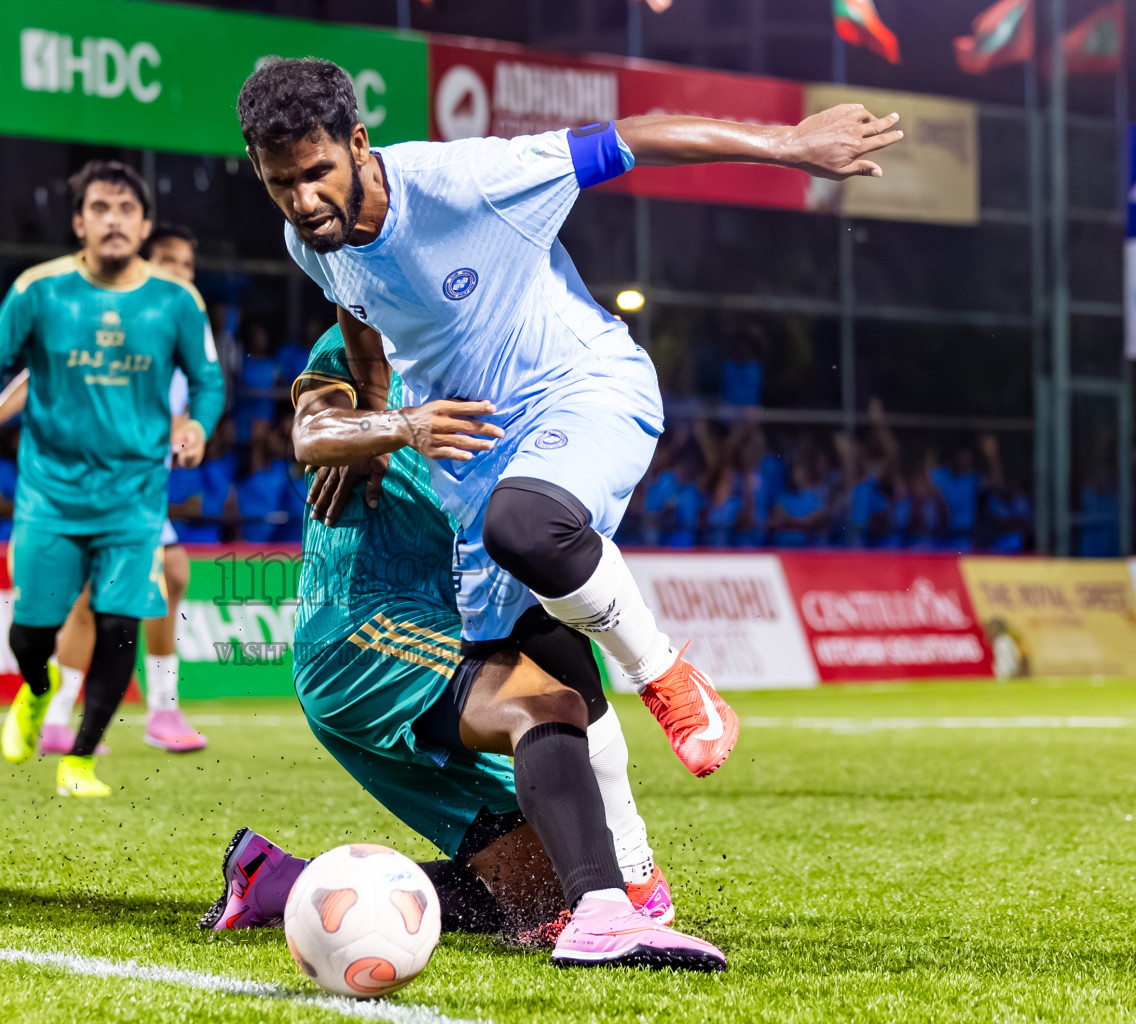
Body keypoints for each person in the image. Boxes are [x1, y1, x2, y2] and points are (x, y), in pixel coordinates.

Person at [237, 58, 901, 776]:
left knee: (526, 528)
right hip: (477, 459)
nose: (303, 199)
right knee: (551, 674)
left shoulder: (471, 183)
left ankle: (667, 677)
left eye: (318, 172)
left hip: (582, 389)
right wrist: (372, 424)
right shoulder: (309, 239)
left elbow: (632, 137)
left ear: (359, 144)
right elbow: (358, 310)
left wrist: (788, 147)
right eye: (282, 183)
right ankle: (630, 883)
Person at [200, 325, 722, 971]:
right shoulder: (360, 350)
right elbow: (311, 434)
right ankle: (604, 922)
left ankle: (279, 883)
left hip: (449, 634)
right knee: (544, 706)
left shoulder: (507, 364)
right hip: (365, 632)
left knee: (544, 889)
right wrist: (397, 426)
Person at [0, 161, 223, 798]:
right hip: (51, 493)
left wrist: (198, 428)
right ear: (79, 222)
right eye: (99, 208)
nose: (113, 220)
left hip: (134, 499)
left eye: (126, 209)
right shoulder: (39, 290)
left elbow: (209, 381)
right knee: (33, 633)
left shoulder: (177, 301)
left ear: (144, 223)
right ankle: (38, 687)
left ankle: (80, 760)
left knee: (118, 622)